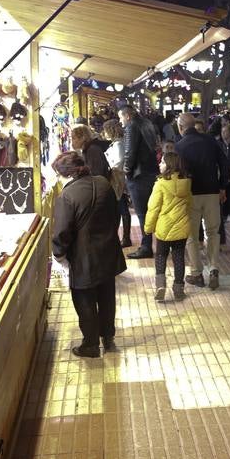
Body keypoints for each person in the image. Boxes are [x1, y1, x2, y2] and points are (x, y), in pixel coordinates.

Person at [50, 151, 126, 358]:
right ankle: (108, 336)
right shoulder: (102, 183)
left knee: (84, 299)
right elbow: (115, 214)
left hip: (83, 255)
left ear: (66, 173)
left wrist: (59, 254)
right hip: (108, 250)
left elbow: (62, 231)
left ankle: (90, 344)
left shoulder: (67, 195)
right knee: (107, 296)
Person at [174, 111, 229, 291]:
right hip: (212, 191)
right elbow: (224, 164)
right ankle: (213, 268)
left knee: (191, 235)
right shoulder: (210, 141)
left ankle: (197, 273)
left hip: (191, 194)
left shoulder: (180, 145)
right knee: (213, 232)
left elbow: (177, 173)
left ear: (181, 127)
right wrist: (222, 187)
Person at [143, 152, 192, 302]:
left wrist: (148, 228)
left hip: (164, 228)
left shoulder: (160, 184)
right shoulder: (186, 182)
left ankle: (160, 286)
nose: (159, 164)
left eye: (162, 163)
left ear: (169, 166)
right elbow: (190, 205)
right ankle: (178, 288)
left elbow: (153, 208)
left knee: (160, 256)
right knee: (179, 258)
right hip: (182, 229)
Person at [119, 105, 160, 259]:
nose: (120, 121)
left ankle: (146, 246)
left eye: (121, 117)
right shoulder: (147, 123)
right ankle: (154, 244)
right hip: (151, 171)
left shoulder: (131, 127)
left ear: (127, 116)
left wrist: (127, 171)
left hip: (138, 174)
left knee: (142, 213)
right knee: (152, 211)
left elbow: (130, 152)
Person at [102, 119, 133, 248]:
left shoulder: (119, 144)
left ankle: (125, 238)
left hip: (117, 179)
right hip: (117, 179)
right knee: (120, 208)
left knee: (121, 208)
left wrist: (109, 166)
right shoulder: (117, 143)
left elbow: (119, 161)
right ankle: (122, 237)